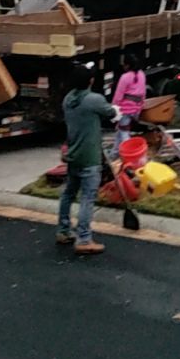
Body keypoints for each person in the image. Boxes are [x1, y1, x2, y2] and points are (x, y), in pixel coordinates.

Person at [57, 63, 120, 255]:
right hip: (90, 157)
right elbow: (111, 112)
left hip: (73, 154)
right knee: (87, 197)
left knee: (68, 193)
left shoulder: (68, 99)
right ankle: (84, 239)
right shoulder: (94, 99)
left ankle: (63, 230)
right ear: (91, 81)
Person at [110, 54, 147, 158]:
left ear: (127, 65)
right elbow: (143, 93)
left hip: (126, 109)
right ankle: (114, 153)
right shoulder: (141, 74)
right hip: (136, 108)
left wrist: (113, 108)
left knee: (124, 132)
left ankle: (131, 155)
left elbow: (118, 95)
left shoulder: (125, 77)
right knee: (120, 130)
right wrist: (141, 106)